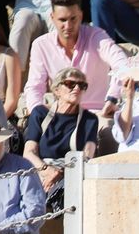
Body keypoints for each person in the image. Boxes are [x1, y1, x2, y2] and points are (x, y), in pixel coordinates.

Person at [21, 0, 129, 115]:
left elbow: (122, 64)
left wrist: (112, 98)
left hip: (97, 114)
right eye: (62, 20)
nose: (68, 26)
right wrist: (36, 112)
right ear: (52, 18)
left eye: (73, 19)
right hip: (62, 115)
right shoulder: (41, 45)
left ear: (81, 16)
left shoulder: (97, 36)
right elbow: (35, 86)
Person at [24, 67, 98, 207]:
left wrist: (60, 173)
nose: (77, 88)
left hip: (71, 173)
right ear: (56, 90)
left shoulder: (89, 119)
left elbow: (87, 157)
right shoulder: (40, 113)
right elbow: (29, 153)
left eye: (82, 85)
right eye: (70, 84)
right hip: (41, 169)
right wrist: (48, 171)